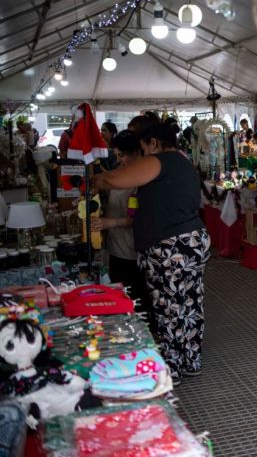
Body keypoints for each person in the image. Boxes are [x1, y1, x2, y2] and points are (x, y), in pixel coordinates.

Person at [93, 120, 210, 384]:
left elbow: (115, 179)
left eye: (143, 145)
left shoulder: (159, 160)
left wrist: (96, 178)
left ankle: (172, 369)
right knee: (189, 302)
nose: (141, 151)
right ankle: (191, 360)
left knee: (168, 306)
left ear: (153, 143)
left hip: (168, 246)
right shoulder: (182, 162)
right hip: (190, 240)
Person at [90, 131, 149, 320]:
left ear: (136, 153)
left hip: (132, 251)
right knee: (120, 296)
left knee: (136, 300)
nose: (119, 160)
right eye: (116, 155)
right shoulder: (119, 175)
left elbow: (139, 218)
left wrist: (111, 222)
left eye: (122, 155)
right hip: (116, 248)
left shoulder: (142, 180)